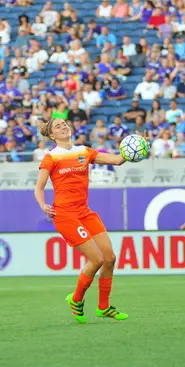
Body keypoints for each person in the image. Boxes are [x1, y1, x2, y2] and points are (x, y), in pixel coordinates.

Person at [35, 118, 143, 323]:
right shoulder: (51, 157)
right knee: (97, 259)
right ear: (52, 135)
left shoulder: (84, 151)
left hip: (85, 213)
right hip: (65, 215)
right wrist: (43, 205)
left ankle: (103, 307)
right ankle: (76, 299)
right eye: (58, 126)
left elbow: (118, 160)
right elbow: (39, 187)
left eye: (65, 123)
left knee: (109, 258)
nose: (64, 126)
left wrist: (136, 147)